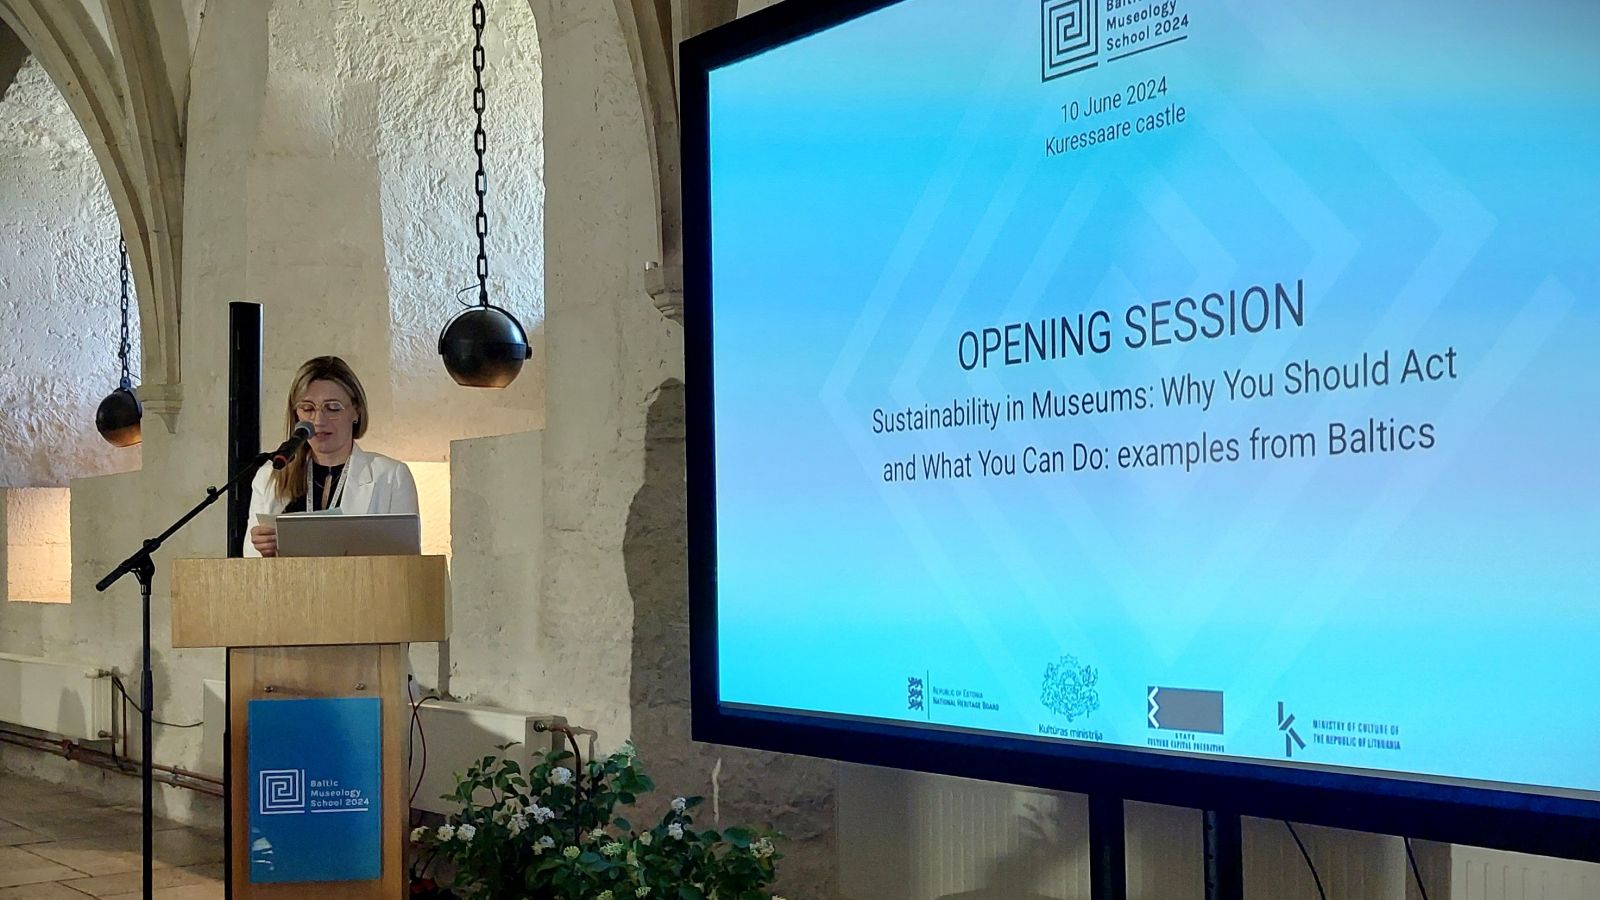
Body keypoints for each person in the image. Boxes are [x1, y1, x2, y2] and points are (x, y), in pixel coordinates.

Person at [243, 356, 419, 557]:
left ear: (356, 411)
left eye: (332, 408)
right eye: (308, 408)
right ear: (296, 414)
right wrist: (264, 552)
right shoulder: (270, 476)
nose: (318, 421)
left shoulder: (391, 477)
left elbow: (407, 563)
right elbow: (249, 562)